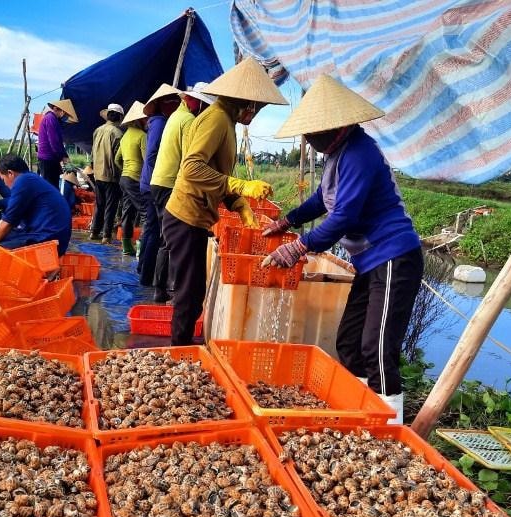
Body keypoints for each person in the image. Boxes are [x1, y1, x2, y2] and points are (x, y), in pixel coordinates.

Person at [263, 74, 423, 423]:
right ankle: (360, 411)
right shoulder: (338, 154)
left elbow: (344, 216)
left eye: (312, 132)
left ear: (335, 127)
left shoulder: (360, 153)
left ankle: (390, 425)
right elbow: (324, 198)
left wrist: (298, 248)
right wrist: (288, 221)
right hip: (371, 262)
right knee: (349, 341)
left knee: (377, 349)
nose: (308, 139)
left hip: (394, 256)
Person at [163, 57, 288, 345]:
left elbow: (216, 174)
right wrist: (240, 184)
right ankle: (179, 353)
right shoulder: (217, 118)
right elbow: (192, 168)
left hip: (195, 217)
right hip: (185, 216)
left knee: (193, 294)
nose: (255, 113)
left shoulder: (226, 122)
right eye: (257, 107)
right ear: (244, 101)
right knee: (188, 294)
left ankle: (182, 349)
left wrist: (238, 203)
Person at [149, 82, 215, 302]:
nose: (204, 109)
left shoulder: (175, 118)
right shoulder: (187, 121)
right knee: (174, 239)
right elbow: (191, 163)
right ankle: (171, 289)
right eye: (203, 104)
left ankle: (162, 288)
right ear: (191, 100)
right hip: (169, 183)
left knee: (165, 238)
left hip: (159, 182)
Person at [137, 83, 182, 284]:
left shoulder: (157, 122)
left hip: (149, 182)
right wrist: (161, 175)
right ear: (162, 104)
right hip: (153, 183)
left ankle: (143, 271)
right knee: (156, 231)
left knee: (151, 228)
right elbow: (152, 154)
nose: (175, 104)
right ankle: (148, 277)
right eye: (172, 101)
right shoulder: (159, 123)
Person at [0, 154, 72, 254]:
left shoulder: (22, 182)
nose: (4, 184)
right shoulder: (31, 178)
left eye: (3, 179)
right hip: (57, 236)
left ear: (10, 173)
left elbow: (7, 222)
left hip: (49, 239)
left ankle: (49, 266)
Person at [115, 101, 148, 255]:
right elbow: (146, 159)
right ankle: (142, 247)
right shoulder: (142, 135)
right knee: (146, 212)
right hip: (135, 178)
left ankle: (127, 246)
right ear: (139, 120)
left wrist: (125, 170)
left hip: (124, 178)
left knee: (127, 212)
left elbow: (117, 159)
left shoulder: (125, 136)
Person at [90, 103, 125, 243]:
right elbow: (118, 158)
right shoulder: (118, 133)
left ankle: (94, 231)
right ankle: (106, 235)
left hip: (98, 173)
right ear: (119, 117)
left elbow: (93, 152)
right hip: (111, 175)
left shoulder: (98, 130)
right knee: (111, 206)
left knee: (99, 204)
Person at [37, 98, 78, 189]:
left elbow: (59, 142)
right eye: (63, 112)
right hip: (47, 158)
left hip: (52, 158)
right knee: (51, 187)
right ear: (56, 109)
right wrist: (63, 157)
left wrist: (65, 156)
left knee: (54, 185)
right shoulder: (50, 118)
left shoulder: (54, 120)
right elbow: (54, 142)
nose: (63, 115)